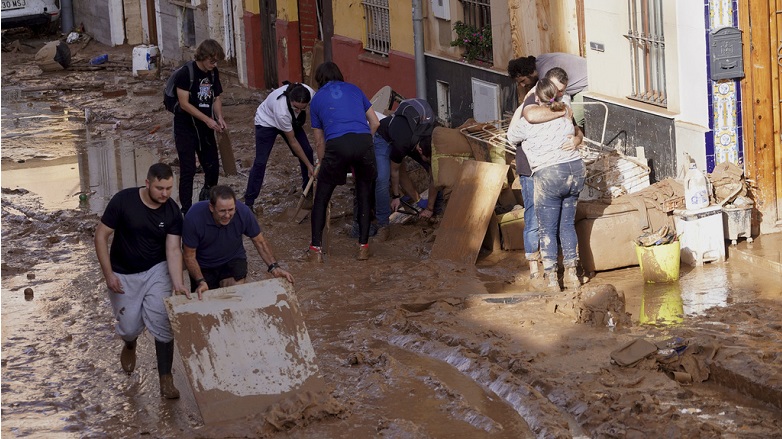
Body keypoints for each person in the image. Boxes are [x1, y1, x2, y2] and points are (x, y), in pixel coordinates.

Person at [94, 163, 187, 399]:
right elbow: (101, 235)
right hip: (123, 273)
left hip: (157, 270)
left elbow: (174, 249)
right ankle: (129, 343)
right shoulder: (123, 201)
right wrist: (108, 275)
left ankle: (166, 379)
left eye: (169, 188)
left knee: (163, 321)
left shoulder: (172, 211)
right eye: (159, 188)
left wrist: (177, 283)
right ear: (147, 183)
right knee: (129, 327)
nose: (165, 194)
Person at [506, 78, 585, 291]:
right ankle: (572, 276)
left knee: (547, 228)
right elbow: (579, 132)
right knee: (567, 224)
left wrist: (522, 106)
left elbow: (510, 136)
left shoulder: (528, 123)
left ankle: (551, 279)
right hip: (575, 171)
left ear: (537, 101)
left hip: (551, 174)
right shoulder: (566, 116)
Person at [308, 61, 380, 261]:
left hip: (336, 144)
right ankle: (363, 248)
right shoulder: (355, 90)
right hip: (363, 141)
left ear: (319, 79)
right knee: (364, 195)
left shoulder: (316, 100)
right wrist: (364, 144)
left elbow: (319, 140)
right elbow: (375, 123)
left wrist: (322, 164)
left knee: (322, 197)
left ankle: (315, 250)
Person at [183, 185, 294, 298]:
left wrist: (274, 267)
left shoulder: (243, 212)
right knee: (207, 302)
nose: (227, 215)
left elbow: (259, 242)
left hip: (232, 259)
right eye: (222, 211)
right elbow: (189, 256)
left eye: (231, 210)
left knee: (234, 295)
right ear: (211, 207)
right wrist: (200, 280)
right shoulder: (194, 218)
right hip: (204, 266)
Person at [243, 82, 316, 213]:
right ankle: (249, 202)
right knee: (260, 162)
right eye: (296, 108)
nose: (299, 111)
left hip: (290, 121)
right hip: (267, 122)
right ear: (290, 99)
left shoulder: (309, 93)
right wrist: (309, 165)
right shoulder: (281, 110)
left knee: (307, 151)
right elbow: (293, 142)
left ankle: (308, 192)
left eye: (302, 108)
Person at [173, 39, 227, 214]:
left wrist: (219, 117)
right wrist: (207, 119)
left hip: (206, 126)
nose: (214, 64)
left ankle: (207, 200)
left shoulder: (213, 73)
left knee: (212, 166)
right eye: (212, 61)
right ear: (203, 57)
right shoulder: (185, 73)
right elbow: (184, 104)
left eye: (217, 61)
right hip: (186, 126)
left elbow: (216, 97)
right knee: (188, 169)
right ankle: (186, 210)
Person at [507, 53, 588, 127]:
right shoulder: (540, 59)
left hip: (589, 85)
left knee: (572, 120)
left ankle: (577, 140)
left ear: (530, 73)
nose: (522, 85)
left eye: (523, 81)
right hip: (587, 73)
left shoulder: (546, 77)